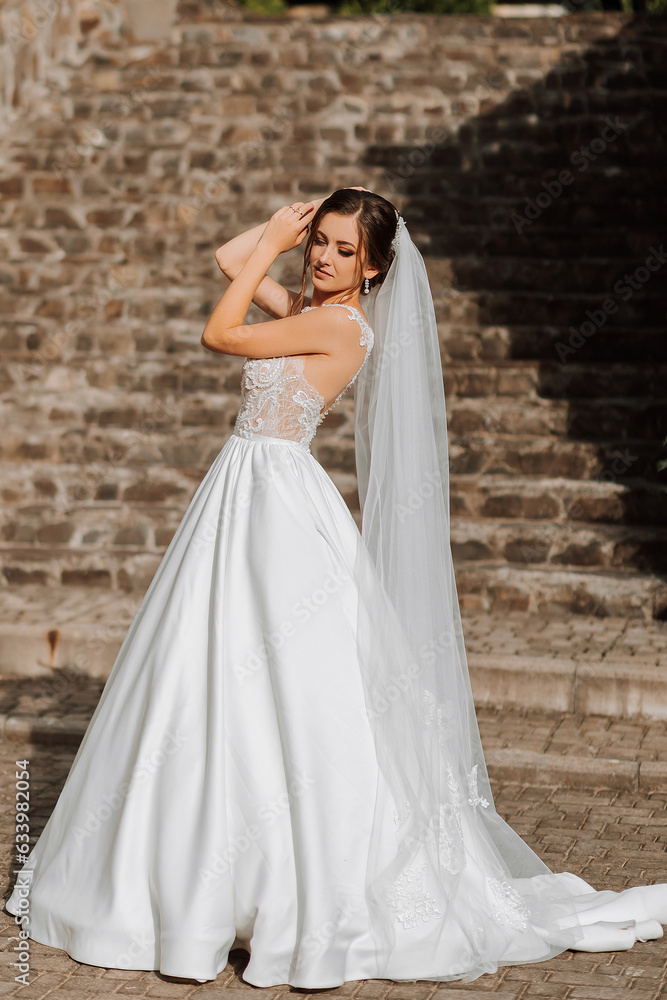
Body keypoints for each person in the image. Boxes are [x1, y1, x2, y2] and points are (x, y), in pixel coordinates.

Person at [5, 187, 667, 988]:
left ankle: (294, 882)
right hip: (241, 492)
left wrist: (274, 250)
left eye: (343, 250)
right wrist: (284, 227)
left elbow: (219, 330)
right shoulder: (313, 304)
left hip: (276, 500)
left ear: (376, 268)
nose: (321, 257)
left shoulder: (340, 325)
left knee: (288, 679)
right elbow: (228, 260)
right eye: (319, 242)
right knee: (205, 668)